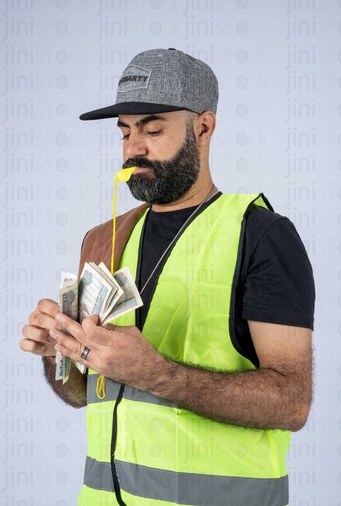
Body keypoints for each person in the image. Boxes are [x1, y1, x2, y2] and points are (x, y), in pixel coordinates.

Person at [20, 48, 315, 506]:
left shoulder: (261, 235)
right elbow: (81, 393)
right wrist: (56, 350)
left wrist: (159, 375)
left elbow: (292, 403)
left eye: (152, 129)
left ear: (203, 127)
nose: (133, 147)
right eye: (125, 132)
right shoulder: (104, 239)